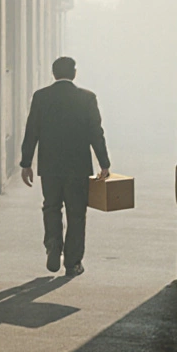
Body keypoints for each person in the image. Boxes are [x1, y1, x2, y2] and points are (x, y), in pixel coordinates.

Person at [19, 57, 111, 277]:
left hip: (49, 165)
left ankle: (53, 242)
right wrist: (104, 163)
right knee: (76, 213)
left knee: (51, 206)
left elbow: (32, 130)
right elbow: (95, 133)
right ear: (74, 73)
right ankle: (73, 263)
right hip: (78, 167)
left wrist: (26, 163)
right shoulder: (87, 98)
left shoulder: (41, 97)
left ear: (53, 73)